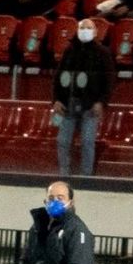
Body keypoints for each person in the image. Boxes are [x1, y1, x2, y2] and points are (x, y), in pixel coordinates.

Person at [53, 21, 112, 177]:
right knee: (63, 141)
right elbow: (58, 76)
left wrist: (101, 101)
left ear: (95, 32)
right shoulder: (69, 51)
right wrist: (56, 100)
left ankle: (86, 177)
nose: (85, 30)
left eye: (89, 28)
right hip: (68, 103)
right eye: (82, 28)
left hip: (90, 105)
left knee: (87, 142)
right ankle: (64, 174)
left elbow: (109, 80)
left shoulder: (102, 52)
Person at [20, 182, 99, 264]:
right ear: (45, 202)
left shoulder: (76, 229)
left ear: (71, 202)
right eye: (51, 198)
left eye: (60, 198)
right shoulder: (38, 228)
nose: (55, 202)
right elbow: (28, 263)